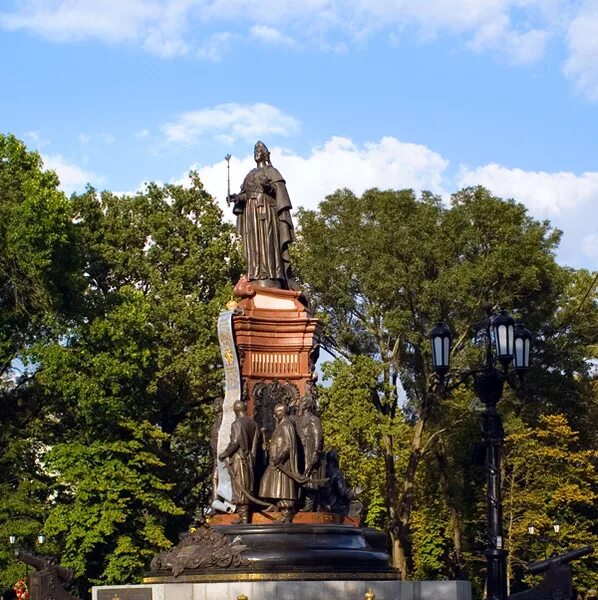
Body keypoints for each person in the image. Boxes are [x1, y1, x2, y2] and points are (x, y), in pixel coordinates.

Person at [230, 141, 295, 289]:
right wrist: (236, 198)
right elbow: (245, 196)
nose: (256, 151)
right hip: (251, 213)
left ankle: (272, 275)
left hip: (266, 212)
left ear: (265, 153)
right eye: (255, 150)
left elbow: (280, 193)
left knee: (267, 242)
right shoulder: (249, 174)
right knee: (254, 244)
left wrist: (268, 187)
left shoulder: (272, 171)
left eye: (259, 149)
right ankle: (255, 274)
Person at [218, 400, 259, 524]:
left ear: (236, 411)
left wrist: (224, 454)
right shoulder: (254, 423)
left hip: (239, 459)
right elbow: (256, 443)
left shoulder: (237, 424)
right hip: (250, 460)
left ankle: (244, 517)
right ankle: (244, 515)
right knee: (247, 486)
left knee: (240, 487)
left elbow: (235, 442)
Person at [259, 403, 298, 522]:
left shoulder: (286, 425)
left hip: (282, 463)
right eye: (275, 411)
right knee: (266, 482)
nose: (275, 414)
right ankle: (274, 504)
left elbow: (288, 445)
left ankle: (286, 513)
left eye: (278, 411)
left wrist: (279, 458)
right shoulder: (280, 425)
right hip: (274, 462)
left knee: (283, 487)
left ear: (283, 412)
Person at [295, 395, 324, 511]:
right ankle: (300, 500)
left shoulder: (313, 419)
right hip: (301, 448)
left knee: (310, 475)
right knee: (302, 473)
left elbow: (318, 435)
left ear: (307, 405)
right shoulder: (300, 419)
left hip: (310, 448)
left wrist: (316, 452)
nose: (300, 404)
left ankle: (309, 504)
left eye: (302, 402)